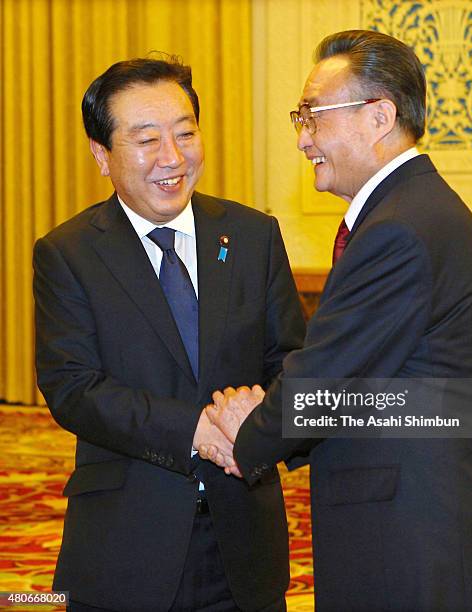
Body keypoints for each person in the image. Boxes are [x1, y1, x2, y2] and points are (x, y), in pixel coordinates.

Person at [202, 30, 472, 611]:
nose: (302, 139)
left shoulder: (399, 227)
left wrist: (247, 432)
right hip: (416, 519)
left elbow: (327, 375)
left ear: (378, 116)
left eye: (312, 117)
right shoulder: (413, 210)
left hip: (414, 532)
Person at [33, 56, 305, 612]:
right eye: (146, 140)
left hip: (245, 537)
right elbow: (73, 388)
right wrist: (196, 429)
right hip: (127, 542)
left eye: (186, 134)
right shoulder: (69, 253)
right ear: (101, 155)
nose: (173, 158)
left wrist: (262, 410)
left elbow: (290, 362)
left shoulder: (252, 235)